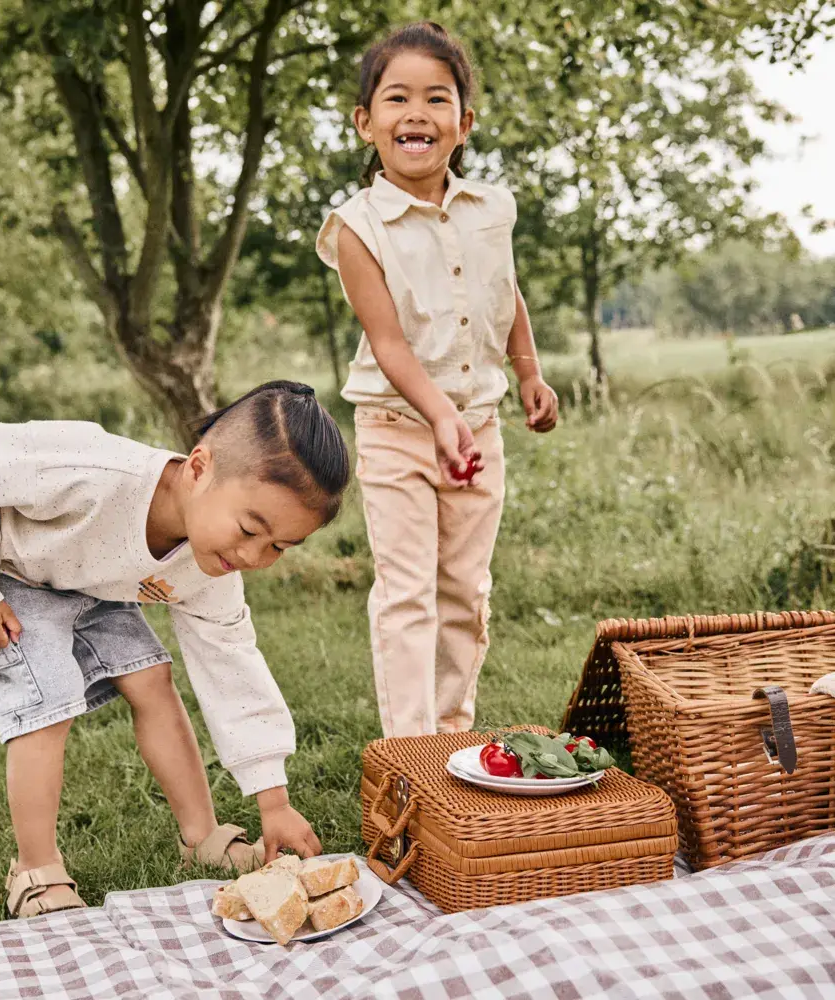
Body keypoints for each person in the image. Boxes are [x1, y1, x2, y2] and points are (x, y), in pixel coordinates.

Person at [0, 380, 350, 917]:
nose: (256, 556)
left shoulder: (213, 567)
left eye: (279, 546)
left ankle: (200, 838)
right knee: (49, 702)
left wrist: (273, 801)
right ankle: (36, 869)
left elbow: (233, 670)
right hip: (0, 570)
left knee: (151, 679)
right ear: (198, 467)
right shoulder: (92, 475)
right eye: (250, 529)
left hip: (89, 580)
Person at [316, 22, 559, 738]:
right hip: (397, 431)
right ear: (366, 123)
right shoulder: (358, 228)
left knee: (465, 591)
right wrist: (438, 418)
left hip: (478, 429)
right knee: (409, 594)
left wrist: (529, 373)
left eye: (436, 99)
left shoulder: (493, 211)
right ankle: (412, 752)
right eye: (396, 99)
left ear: (464, 123)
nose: (415, 113)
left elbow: (504, 293)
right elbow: (389, 344)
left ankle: (453, 735)